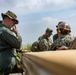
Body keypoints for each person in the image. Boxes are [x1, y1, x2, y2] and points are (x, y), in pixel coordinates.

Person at [0, 10, 22, 75]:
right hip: (8, 66)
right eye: (14, 22)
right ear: (9, 19)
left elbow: (6, 46)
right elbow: (18, 44)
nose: (14, 25)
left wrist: (19, 51)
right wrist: (17, 33)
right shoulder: (4, 31)